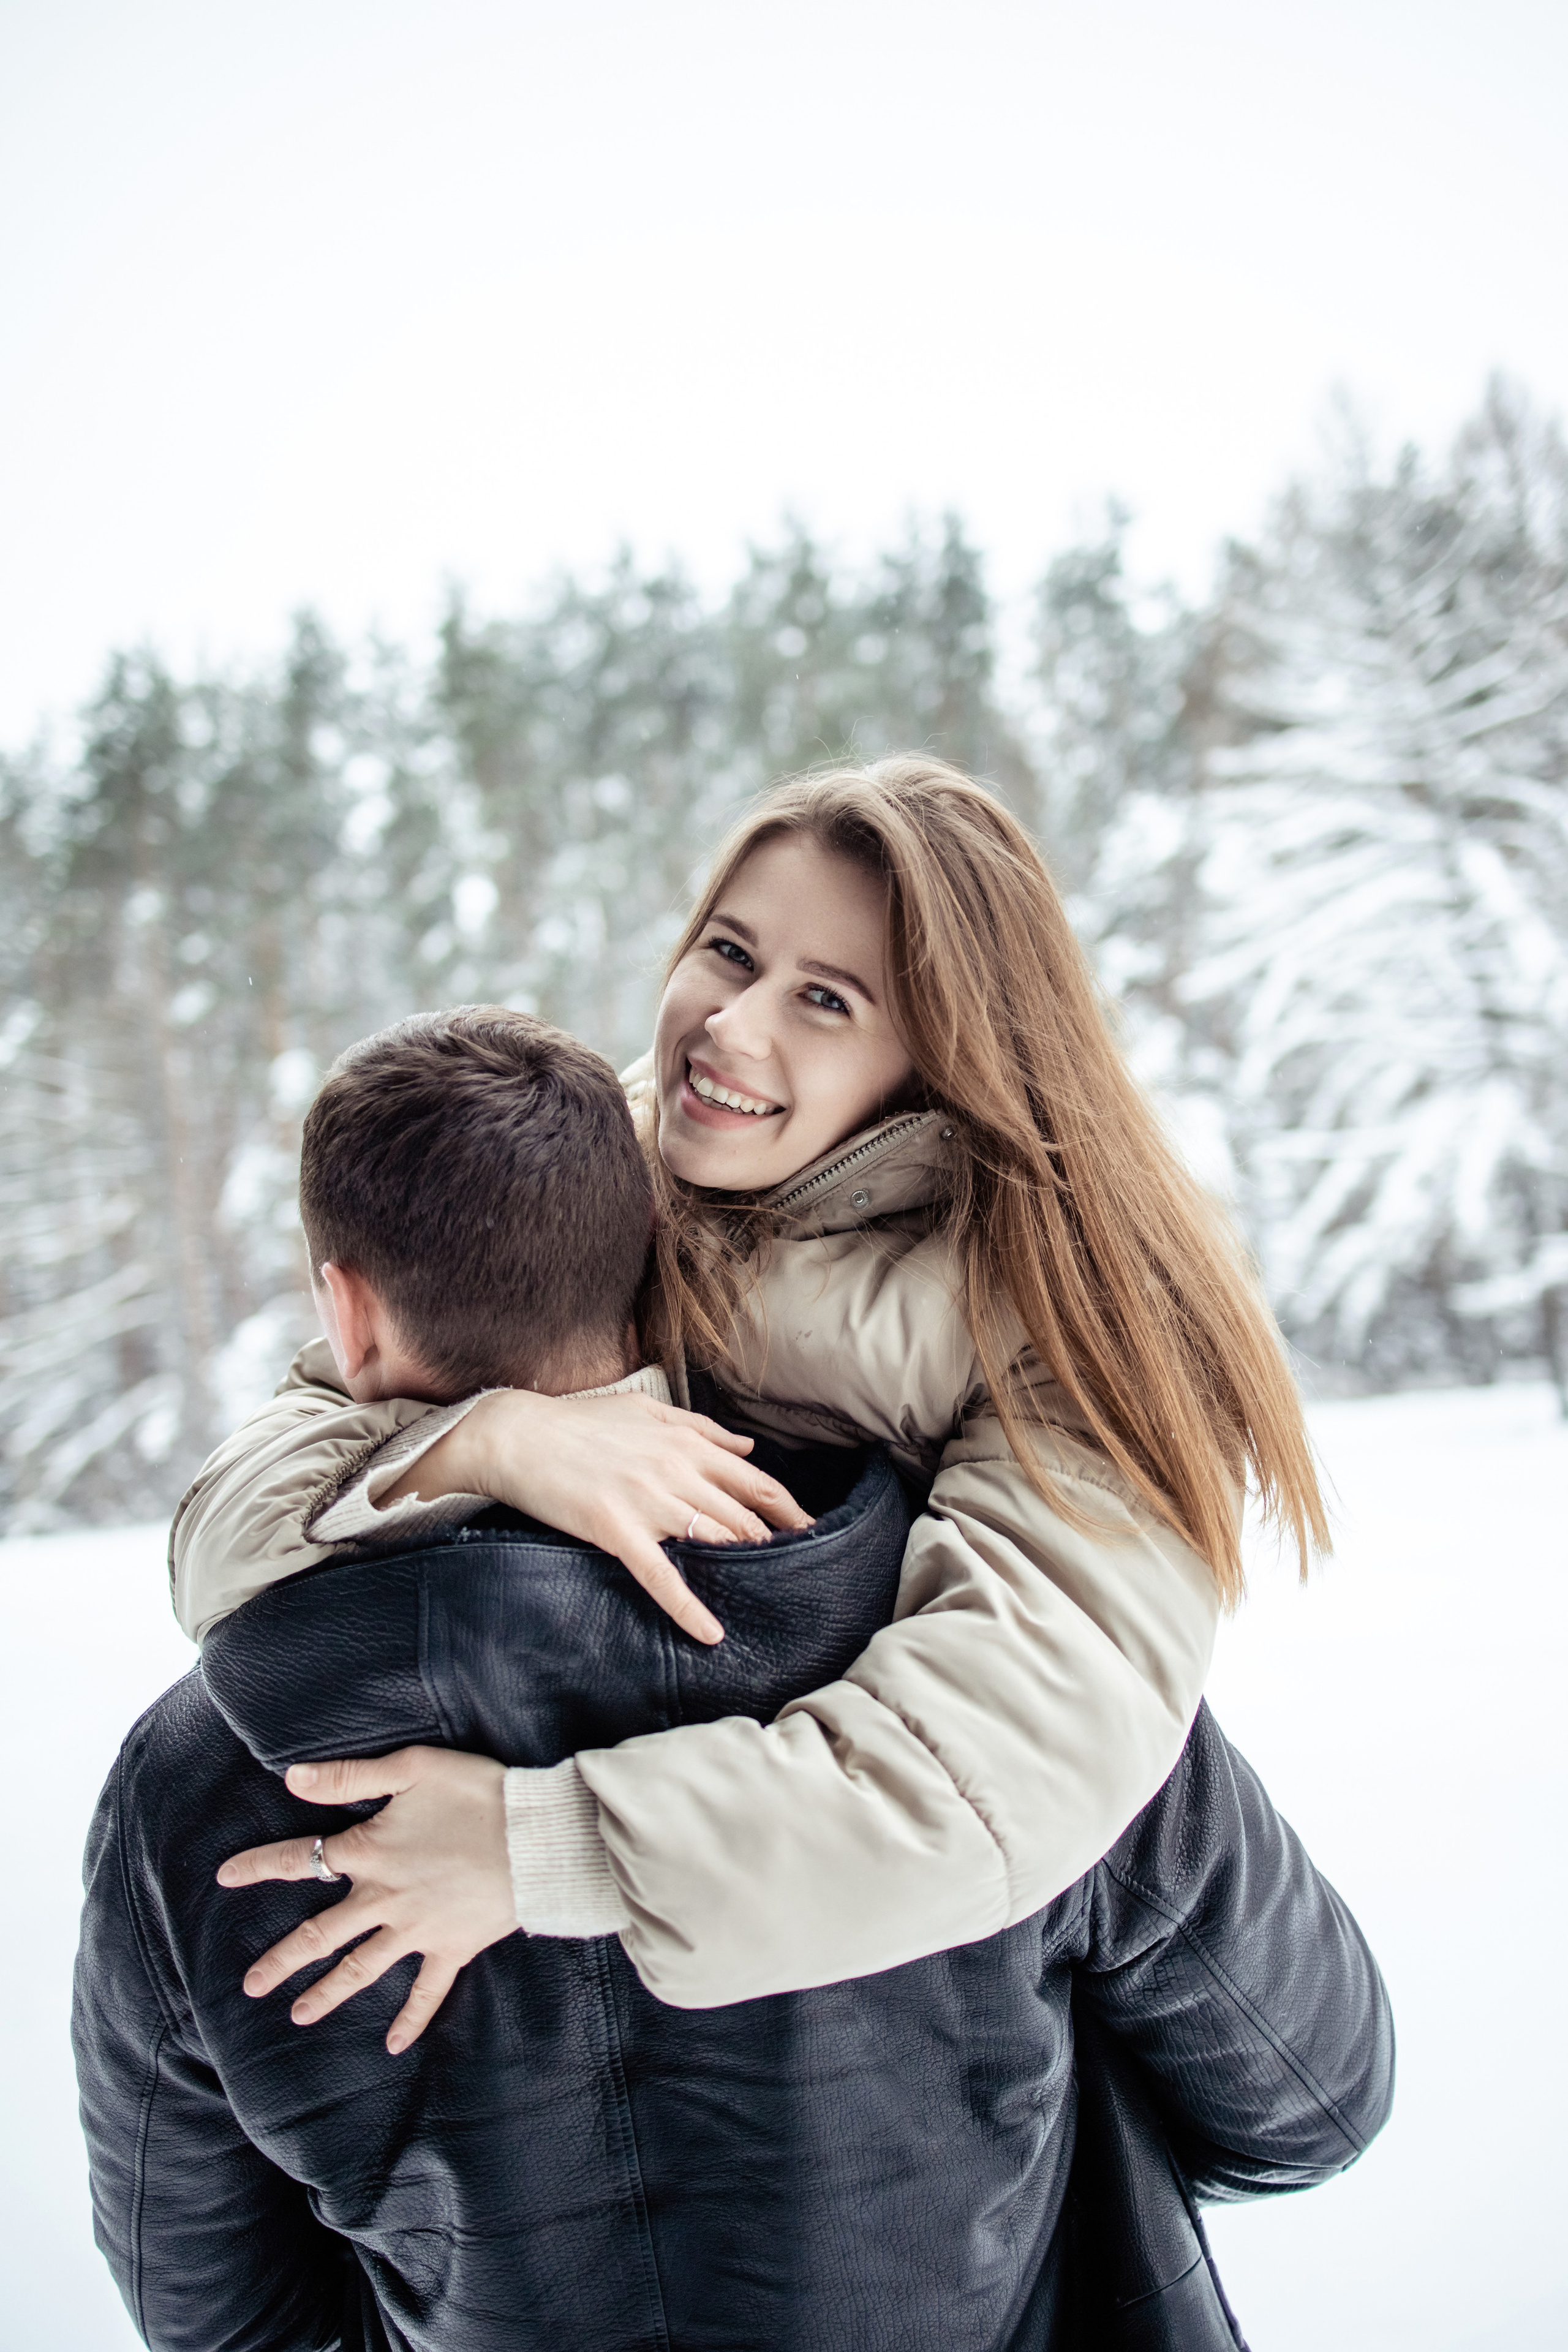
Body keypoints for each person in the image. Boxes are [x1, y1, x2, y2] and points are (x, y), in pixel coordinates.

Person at [74, 1012, 1393, 2348]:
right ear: (654, 1256)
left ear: (343, 1309)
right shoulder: (997, 1682)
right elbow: (1310, 2098)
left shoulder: (195, 1791)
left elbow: (225, 2319)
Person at [167, 759, 1329, 2035]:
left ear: (943, 1056)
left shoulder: (1074, 1305)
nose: (730, 1026)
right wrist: (481, 1441)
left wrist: (533, 1848)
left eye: (825, 999)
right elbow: (239, 1512)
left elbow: (995, 1762)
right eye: (728, 952)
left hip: (1136, 1955)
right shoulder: (599, 1159)